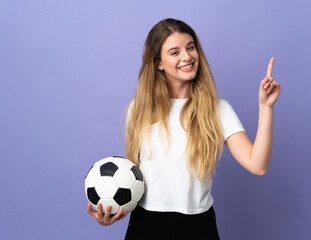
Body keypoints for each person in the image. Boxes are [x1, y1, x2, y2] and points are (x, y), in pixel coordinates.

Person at [87, 18, 281, 239]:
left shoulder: (218, 110)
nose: (187, 56)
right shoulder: (138, 109)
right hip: (145, 225)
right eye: (174, 52)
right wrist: (112, 209)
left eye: (190, 48)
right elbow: (133, 175)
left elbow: (258, 165)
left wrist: (266, 107)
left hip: (198, 226)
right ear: (158, 62)